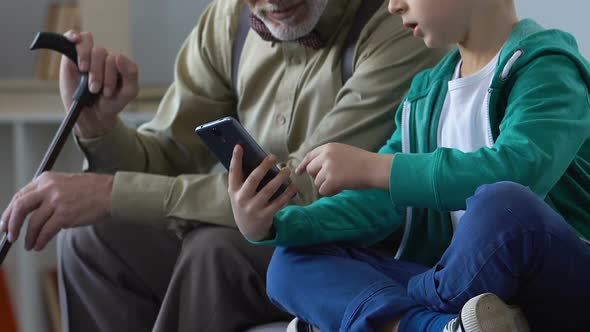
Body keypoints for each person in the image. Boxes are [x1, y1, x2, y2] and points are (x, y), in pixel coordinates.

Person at [0, 0, 445, 331]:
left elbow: (304, 189)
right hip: (246, 226)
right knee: (93, 238)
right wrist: (99, 126)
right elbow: (166, 155)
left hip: (351, 242)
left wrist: (110, 193)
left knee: (214, 251)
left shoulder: (396, 25)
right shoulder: (228, 21)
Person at [228, 0, 590, 331]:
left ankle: (367, 317)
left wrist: (375, 167)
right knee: (290, 262)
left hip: (556, 279)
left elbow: (518, 169)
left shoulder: (549, 68)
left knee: (505, 204)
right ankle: (437, 326)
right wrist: (273, 224)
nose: (393, 6)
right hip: (466, 294)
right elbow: (379, 201)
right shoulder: (425, 94)